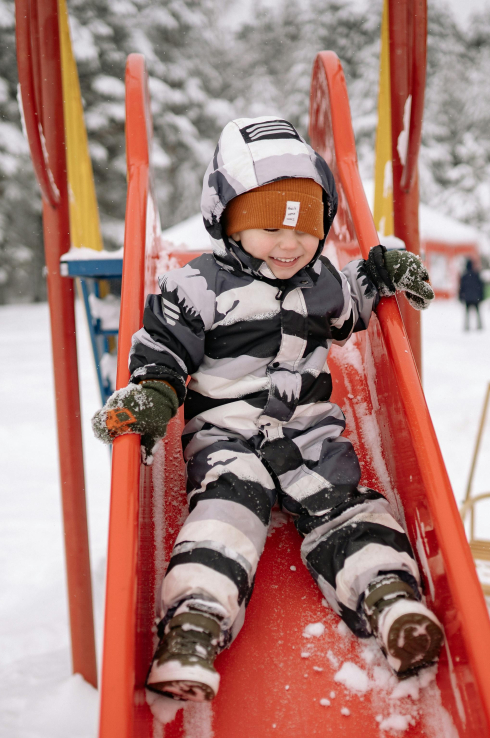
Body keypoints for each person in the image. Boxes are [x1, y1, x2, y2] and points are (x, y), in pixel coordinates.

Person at [92, 117, 444, 702]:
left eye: (306, 226)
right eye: (267, 225)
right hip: (227, 437)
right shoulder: (197, 287)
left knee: (348, 508)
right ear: (224, 219)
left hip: (307, 435)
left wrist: (380, 272)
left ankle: (389, 598)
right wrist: (154, 394)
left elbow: (352, 304)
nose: (290, 243)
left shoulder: (321, 282)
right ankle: (195, 622)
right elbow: (163, 348)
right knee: (227, 510)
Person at [458, 258, 484, 331]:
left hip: (467, 298)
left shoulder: (464, 276)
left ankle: (467, 326)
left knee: (467, 313)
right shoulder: (476, 274)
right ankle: (479, 326)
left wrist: (460, 297)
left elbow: (461, 287)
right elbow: (481, 286)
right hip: (476, 298)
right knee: (478, 313)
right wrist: (482, 296)